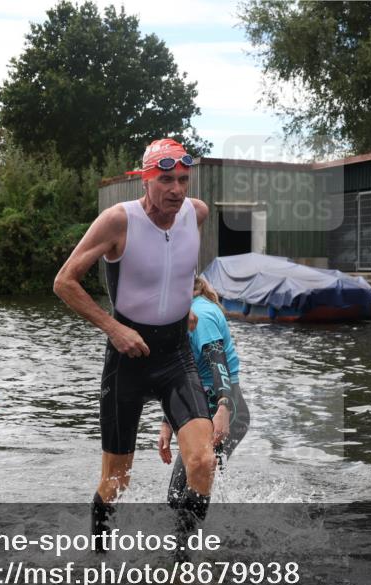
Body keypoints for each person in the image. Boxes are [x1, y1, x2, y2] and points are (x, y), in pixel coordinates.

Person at [53, 138, 214, 547]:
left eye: (182, 179)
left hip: (176, 355)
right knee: (117, 479)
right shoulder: (117, 221)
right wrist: (114, 329)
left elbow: (177, 263)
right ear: (144, 180)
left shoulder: (196, 213)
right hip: (128, 359)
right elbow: (64, 282)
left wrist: (185, 302)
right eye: (165, 180)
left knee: (202, 462)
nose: (176, 190)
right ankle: (99, 560)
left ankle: (183, 562)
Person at [158, 277, 250, 506]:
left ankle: (192, 541)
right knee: (176, 497)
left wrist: (223, 408)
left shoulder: (201, 316)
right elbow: (179, 373)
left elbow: (219, 364)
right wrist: (167, 423)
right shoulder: (183, 315)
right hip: (202, 407)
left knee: (193, 490)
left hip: (227, 410)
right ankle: (210, 532)